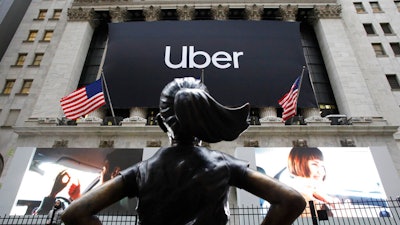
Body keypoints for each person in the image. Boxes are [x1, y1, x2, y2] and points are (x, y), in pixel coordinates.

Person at [62, 77, 306, 225]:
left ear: (161, 122)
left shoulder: (142, 171)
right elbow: (292, 200)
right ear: (205, 122)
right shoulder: (225, 164)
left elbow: (75, 214)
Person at [285, 147, 340, 216]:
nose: (321, 171)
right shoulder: (303, 198)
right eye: (314, 164)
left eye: (322, 166)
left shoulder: (315, 194)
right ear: (298, 164)